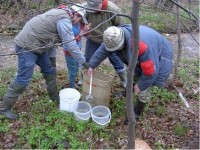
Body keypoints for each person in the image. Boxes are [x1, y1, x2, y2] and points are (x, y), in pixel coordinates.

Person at [0, 4, 89, 120]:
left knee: (50, 71)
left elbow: (51, 39)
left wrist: (52, 62)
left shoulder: (60, 13)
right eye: (79, 20)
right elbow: (71, 46)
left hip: (39, 46)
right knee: (24, 78)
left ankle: (54, 97)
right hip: (27, 46)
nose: (77, 23)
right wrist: (84, 62)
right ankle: (4, 108)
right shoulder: (64, 20)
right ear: (76, 15)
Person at [87, 25, 173, 120]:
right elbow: (103, 49)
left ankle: (137, 112)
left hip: (161, 55)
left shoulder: (141, 46)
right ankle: (129, 92)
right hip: (146, 52)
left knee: (144, 88)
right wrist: (92, 65)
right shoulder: (113, 36)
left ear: (122, 43)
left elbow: (150, 73)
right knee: (133, 74)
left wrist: (140, 86)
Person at [77, 0, 127, 88]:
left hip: (110, 41)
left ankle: (124, 81)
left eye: (95, 8)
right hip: (93, 39)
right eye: (91, 8)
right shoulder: (85, 7)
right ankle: (83, 78)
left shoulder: (113, 9)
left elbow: (122, 26)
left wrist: (115, 38)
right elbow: (79, 18)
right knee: (88, 60)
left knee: (117, 61)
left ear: (101, 3)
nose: (92, 10)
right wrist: (84, 28)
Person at [63, 5, 92, 88]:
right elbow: (70, 42)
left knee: (76, 67)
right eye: (75, 15)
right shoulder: (67, 25)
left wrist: (87, 30)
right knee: (73, 69)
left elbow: (86, 33)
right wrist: (81, 33)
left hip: (77, 49)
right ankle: (71, 86)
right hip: (69, 51)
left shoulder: (79, 24)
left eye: (79, 16)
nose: (76, 18)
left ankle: (73, 83)